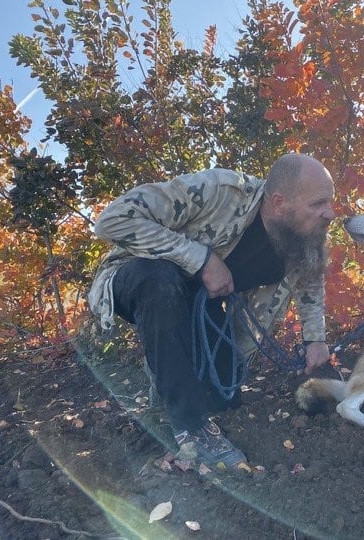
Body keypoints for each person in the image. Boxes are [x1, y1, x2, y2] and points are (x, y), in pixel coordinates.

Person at [88, 153, 335, 469]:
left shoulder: (304, 232)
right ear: (278, 202)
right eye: (318, 203)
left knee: (224, 399)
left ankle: (168, 385)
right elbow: (112, 220)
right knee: (160, 280)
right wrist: (202, 260)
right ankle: (189, 426)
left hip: (201, 303)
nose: (330, 213)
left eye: (329, 202)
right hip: (139, 278)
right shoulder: (218, 190)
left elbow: (310, 279)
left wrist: (315, 339)